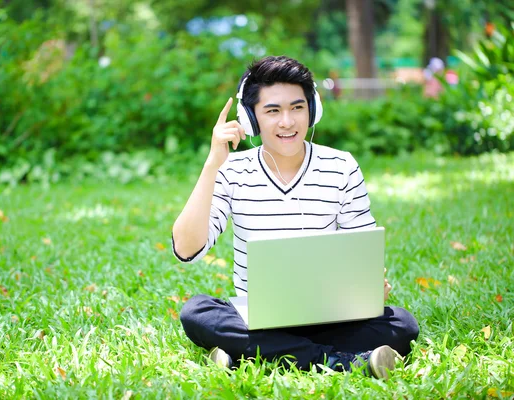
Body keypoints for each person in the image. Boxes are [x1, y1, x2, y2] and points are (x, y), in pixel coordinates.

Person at [171, 56, 419, 378]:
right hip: (256, 316)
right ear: (251, 119)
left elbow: (363, 248)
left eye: (297, 108)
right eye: (273, 111)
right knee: (197, 312)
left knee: (402, 323)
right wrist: (211, 165)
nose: (287, 122)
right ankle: (340, 361)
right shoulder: (231, 171)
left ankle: (249, 352)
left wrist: (370, 286)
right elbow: (186, 249)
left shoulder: (341, 166)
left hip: (330, 316)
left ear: (312, 110)